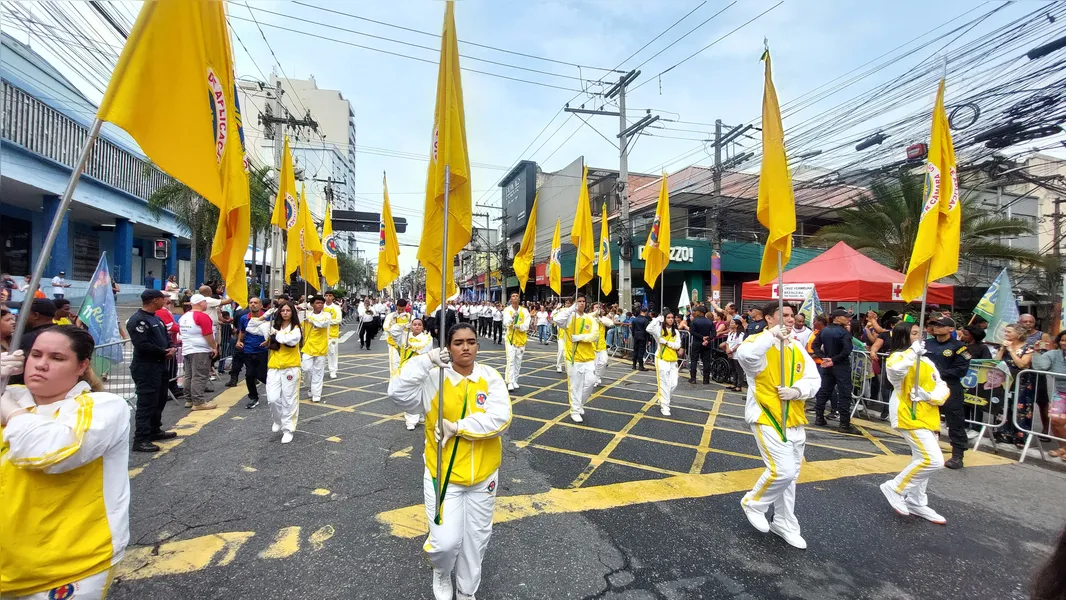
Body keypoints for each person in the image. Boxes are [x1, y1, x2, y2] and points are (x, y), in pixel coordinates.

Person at [0, 327, 131, 599]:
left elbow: (51, 453)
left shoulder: (103, 406)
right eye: (35, 355)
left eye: (57, 358)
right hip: (8, 565)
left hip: (71, 565)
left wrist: (11, 412)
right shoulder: (7, 395)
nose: (41, 364)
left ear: (82, 366)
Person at [387, 323, 512, 600]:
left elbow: (501, 419)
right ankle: (442, 571)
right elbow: (397, 392)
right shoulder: (434, 379)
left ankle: (467, 592)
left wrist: (458, 427)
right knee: (445, 544)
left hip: (484, 476)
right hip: (442, 474)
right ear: (448, 347)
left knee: (475, 541)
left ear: (477, 345)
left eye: (471, 341)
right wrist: (426, 360)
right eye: (458, 342)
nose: (466, 347)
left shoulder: (490, 377)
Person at [735, 302, 821, 550]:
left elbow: (813, 378)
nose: (790, 319)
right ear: (769, 319)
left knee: (791, 477)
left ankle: (785, 522)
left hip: (793, 416)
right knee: (781, 471)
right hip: (766, 416)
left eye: (792, 315)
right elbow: (746, 356)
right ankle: (754, 502)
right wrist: (772, 335)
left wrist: (797, 390)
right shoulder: (758, 343)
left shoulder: (795, 347)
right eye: (783, 315)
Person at [879, 321, 950, 524]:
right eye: (914, 334)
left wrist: (930, 396)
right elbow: (896, 371)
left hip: (929, 415)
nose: (920, 337)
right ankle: (895, 487)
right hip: (908, 414)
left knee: (921, 459)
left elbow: (942, 386)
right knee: (933, 460)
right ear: (904, 336)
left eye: (921, 333)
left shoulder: (927, 362)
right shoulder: (897, 357)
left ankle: (917, 501)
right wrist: (912, 353)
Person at [127, 289, 178, 452]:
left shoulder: (156, 318)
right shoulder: (138, 321)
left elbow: (166, 336)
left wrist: (170, 348)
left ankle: (154, 430)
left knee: (160, 399)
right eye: (163, 299)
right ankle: (140, 439)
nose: (165, 301)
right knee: (146, 403)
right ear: (154, 300)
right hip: (146, 367)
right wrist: (163, 352)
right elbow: (142, 345)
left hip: (160, 365)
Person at [924, 316, 970, 469]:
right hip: (929, 387)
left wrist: (938, 373)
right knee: (927, 419)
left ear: (951, 329)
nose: (936, 327)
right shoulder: (926, 344)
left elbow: (961, 369)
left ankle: (958, 455)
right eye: (934, 325)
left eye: (940, 325)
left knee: (955, 421)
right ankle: (928, 451)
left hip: (950, 387)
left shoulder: (959, 347)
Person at [554, 294, 599, 423]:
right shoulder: (569, 318)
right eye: (579, 301)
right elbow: (557, 320)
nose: (581, 303)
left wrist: (580, 338)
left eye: (583, 301)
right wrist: (570, 309)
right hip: (573, 357)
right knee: (575, 385)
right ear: (575, 303)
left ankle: (579, 405)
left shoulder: (590, 318)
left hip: (589, 356)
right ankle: (574, 410)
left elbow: (595, 335)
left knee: (591, 382)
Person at [812, 308, 857, 433]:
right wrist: (833, 359)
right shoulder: (843, 332)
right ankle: (844, 424)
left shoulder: (824, 331)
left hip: (829, 364)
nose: (849, 319)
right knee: (844, 394)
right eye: (846, 317)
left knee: (824, 391)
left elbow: (814, 346)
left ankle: (819, 417)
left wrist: (824, 357)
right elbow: (847, 350)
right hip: (841, 365)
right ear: (837, 318)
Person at [266, 301, 302, 444]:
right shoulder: (273, 326)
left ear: (292, 312)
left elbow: (290, 341)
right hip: (274, 367)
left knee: (289, 399)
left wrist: (276, 333)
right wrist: (265, 316)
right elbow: (252, 327)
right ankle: (278, 420)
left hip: (290, 367)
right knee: (273, 399)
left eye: (288, 310)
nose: (285, 313)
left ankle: (288, 429)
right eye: (283, 310)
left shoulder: (296, 329)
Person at [997, 323, 1035, 448]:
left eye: (1009, 332)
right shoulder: (1004, 345)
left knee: (1020, 409)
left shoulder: (1027, 347)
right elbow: (995, 361)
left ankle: (1020, 436)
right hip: (1005, 381)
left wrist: (1011, 351)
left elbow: (1022, 364)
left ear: (1018, 334)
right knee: (1004, 406)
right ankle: (1003, 433)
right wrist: (1002, 349)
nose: (1006, 334)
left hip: (1021, 383)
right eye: (1005, 332)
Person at [179, 294, 219, 411]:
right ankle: (198, 401)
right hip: (200, 349)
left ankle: (189, 399)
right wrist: (214, 346)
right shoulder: (202, 316)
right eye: (205, 302)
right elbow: (208, 334)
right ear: (200, 303)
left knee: (189, 375)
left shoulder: (185, 316)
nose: (206, 304)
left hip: (188, 349)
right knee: (200, 375)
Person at [1032, 330, 1066, 462]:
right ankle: (1064, 447)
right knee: (1055, 420)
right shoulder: (1054, 354)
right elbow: (1041, 367)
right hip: (1061, 393)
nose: (1064, 343)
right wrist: (1036, 352)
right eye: (1062, 340)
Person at [400, 318, 434, 431]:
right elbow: (393, 333)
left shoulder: (428, 338)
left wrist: (410, 345)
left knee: (422, 393)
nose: (417, 327)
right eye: (414, 324)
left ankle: (420, 414)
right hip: (409, 369)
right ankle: (410, 420)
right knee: (410, 394)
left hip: (422, 369)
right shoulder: (405, 336)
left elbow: (423, 349)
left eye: (419, 324)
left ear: (423, 327)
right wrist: (404, 327)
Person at [237, 297, 271, 409]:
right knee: (249, 375)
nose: (253, 305)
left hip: (263, 350)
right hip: (248, 349)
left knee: (262, 375)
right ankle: (253, 397)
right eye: (251, 303)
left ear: (261, 305)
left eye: (255, 303)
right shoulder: (243, 318)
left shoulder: (268, 317)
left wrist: (269, 341)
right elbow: (242, 332)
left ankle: (277, 391)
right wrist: (239, 341)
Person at [647, 311, 682, 416]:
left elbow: (677, 346)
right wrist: (658, 319)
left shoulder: (676, 332)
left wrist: (666, 342)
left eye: (672, 317)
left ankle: (662, 398)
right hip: (661, 359)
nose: (671, 319)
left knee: (674, 384)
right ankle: (665, 405)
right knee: (664, 383)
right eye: (668, 317)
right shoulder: (659, 330)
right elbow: (648, 328)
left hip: (673, 360)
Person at [301, 296, 331, 404]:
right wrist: (299, 309)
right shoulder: (306, 314)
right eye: (317, 303)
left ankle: (316, 394)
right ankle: (309, 386)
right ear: (312, 304)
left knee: (318, 371)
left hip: (321, 347)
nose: (320, 305)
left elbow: (322, 323)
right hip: (308, 346)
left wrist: (309, 319)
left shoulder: (326, 315)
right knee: (306, 369)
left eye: (322, 303)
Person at [502, 293, 530, 392]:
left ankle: (515, 380)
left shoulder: (524, 311)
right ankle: (509, 381)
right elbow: (505, 323)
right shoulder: (507, 310)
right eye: (513, 296)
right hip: (510, 339)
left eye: (517, 296)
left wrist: (519, 326)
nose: (515, 297)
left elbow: (526, 326)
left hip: (521, 339)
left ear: (519, 298)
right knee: (511, 360)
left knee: (518, 361)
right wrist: (512, 317)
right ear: (510, 298)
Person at [385, 299, 414, 375]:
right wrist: (399, 326)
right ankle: (394, 380)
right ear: (396, 306)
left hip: (406, 344)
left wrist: (411, 327)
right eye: (399, 309)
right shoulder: (391, 316)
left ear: (405, 307)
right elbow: (386, 328)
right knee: (394, 362)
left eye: (402, 309)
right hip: (393, 343)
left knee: (406, 363)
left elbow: (415, 329)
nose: (400, 311)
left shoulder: (409, 317)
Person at [688, 307, 715, 385]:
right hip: (707, 343)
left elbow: (692, 331)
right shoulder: (710, 322)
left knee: (694, 360)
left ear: (700, 312)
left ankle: (693, 378)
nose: (695, 312)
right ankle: (706, 379)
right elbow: (714, 333)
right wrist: (708, 339)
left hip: (697, 342)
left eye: (696, 311)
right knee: (706, 361)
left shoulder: (694, 321)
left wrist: (701, 337)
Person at [592, 304, 614, 387]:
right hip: (591, 345)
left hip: (601, 345)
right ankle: (594, 379)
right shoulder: (589, 318)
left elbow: (611, 324)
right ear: (593, 309)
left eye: (599, 307)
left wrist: (601, 320)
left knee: (604, 362)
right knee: (594, 364)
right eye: (596, 307)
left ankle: (597, 376)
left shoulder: (603, 318)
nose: (598, 309)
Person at [324, 291, 344, 379]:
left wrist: (326, 322)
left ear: (333, 297)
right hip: (321, 334)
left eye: (330, 296)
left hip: (332, 334)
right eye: (326, 295)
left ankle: (333, 371)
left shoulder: (336, 308)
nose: (328, 297)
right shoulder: (321, 306)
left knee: (332, 353)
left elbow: (338, 319)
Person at [723, 318, 746, 392]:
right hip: (730, 354)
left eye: (732, 323)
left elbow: (740, 344)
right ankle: (734, 383)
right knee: (733, 369)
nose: (731, 324)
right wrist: (728, 350)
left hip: (737, 355)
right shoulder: (731, 333)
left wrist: (732, 350)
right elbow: (727, 342)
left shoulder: (741, 334)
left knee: (739, 370)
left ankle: (739, 385)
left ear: (736, 325)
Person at [631, 307, 650, 372]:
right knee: (641, 351)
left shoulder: (635, 319)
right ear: (646, 312)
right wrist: (649, 339)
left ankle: (634, 365)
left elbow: (632, 329)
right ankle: (641, 366)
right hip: (643, 336)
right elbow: (647, 330)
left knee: (635, 350)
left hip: (636, 336)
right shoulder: (645, 320)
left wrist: (634, 335)